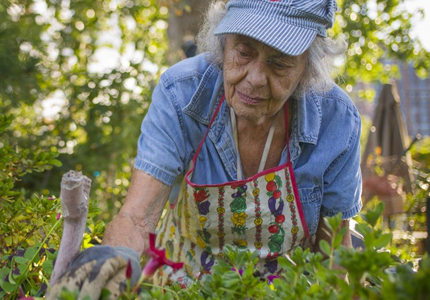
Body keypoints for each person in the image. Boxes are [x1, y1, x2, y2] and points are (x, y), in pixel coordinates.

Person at [48, 0, 362, 298]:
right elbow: (137, 218)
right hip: (184, 289)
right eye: (243, 52)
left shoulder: (336, 121)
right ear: (223, 44)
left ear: (308, 68)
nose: (254, 79)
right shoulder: (181, 92)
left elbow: (333, 250)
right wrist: (113, 259)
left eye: (279, 64)